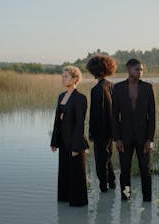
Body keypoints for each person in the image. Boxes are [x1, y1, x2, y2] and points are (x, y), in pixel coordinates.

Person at [111, 58, 156, 201]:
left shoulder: (148, 87)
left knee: (145, 170)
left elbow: (152, 115)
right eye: (137, 69)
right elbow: (114, 116)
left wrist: (150, 139)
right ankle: (126, 200)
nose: (140, 72)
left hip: (143, 138)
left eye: (142, 70)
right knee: (124, 171)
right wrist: (117, 138)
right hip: (124, 137)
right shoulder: (118, 88)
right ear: (129, 70)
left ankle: (147, 201)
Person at [50, 66, 89, 207]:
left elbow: (80, 124)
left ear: (75, 79)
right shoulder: (61, 96)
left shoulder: (80, 98)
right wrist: (54, 141)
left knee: (76, 174)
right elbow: (57, 121)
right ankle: (65, 199)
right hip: (64, 141)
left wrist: (76, 146)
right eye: (62, 76)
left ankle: (78, 204)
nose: (63, 78)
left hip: (75, 143)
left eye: (66, 76)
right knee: (64, 172)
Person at [86, 55, 117, 192]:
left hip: (100, 131)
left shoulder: (96, 89)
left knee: (100, 160)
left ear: (94, 71)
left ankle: (103, 187)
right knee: (108, 157)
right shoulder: (112, 86)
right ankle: (112, 183)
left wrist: (91, 132)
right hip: (112, 130)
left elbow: (94, 114)